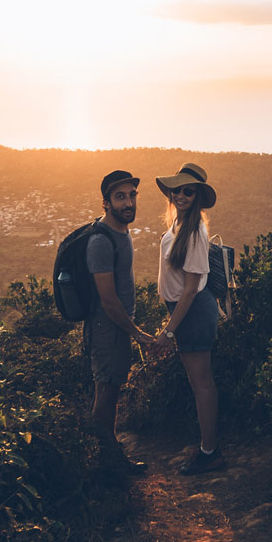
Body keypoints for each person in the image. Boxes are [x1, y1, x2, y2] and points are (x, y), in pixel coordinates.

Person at [87, 168, 158, 474]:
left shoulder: (122, 232)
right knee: (106, 394)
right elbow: (108, 300)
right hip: (108, 328)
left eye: (131, 196)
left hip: (116, 328)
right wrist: (138, 333)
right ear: (106, 203)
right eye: (120, 197)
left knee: (111, 391)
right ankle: (105, 465)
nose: (128, 203)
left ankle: (106, 457)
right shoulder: (101, 241)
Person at [154, 162, 224, 475]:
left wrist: (169, 332)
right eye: (177, 189)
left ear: (197, 196)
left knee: (202, 384)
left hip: (193, 312)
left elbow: (192, 289)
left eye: (188, 191)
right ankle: (207, 447)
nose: (181, 195)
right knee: (199, 383)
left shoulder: (195, 231)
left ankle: (209, 452)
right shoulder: (178, 226)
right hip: (185, 311)